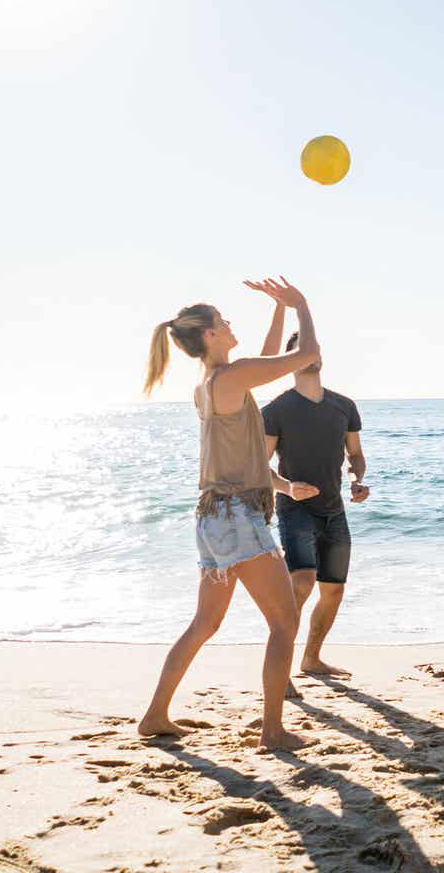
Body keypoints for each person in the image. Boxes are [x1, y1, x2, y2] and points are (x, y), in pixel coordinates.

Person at [137, 277, 321, 751]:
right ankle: (273, 731)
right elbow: (301, 358)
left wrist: (278, 310)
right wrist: (301, 306)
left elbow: (262, 365)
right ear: (210, 335)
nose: (230, 323)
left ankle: (155, 715)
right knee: (284, 623)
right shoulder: (231, 378)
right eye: (223, 321)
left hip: (214, 518)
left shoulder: (212, 382)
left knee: (205, 623)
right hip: (239, 519)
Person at [262, 325, 370, 679]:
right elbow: (261, 469)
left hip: (334, 511)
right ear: (291, 359)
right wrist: (288, 488)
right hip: (295, 510)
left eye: (314, 348)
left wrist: (356, 481)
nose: (311, 354)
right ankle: (279, 668)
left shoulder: (344, 406)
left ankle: (311, 659)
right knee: (303, 583)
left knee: (334, 591)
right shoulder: (276, 409)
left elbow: (355, 455)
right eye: (301, 349)